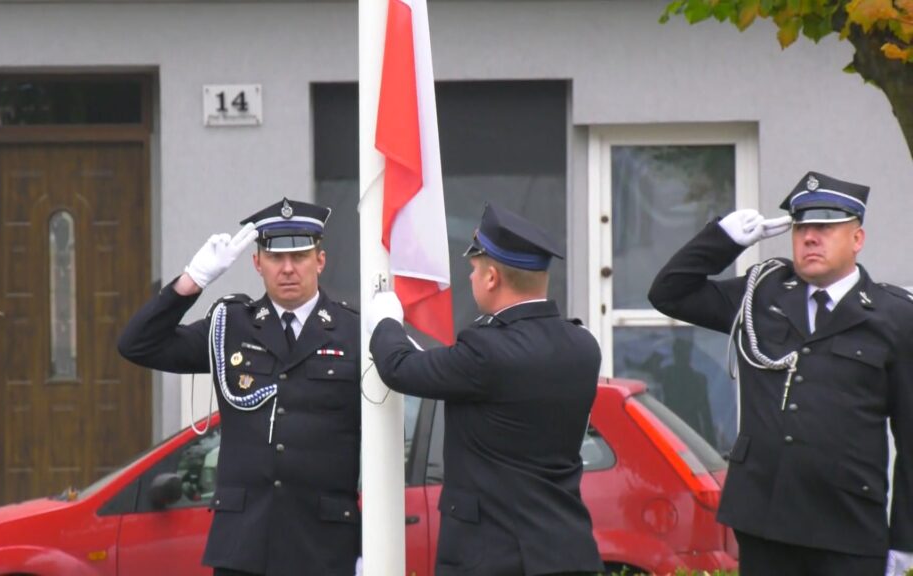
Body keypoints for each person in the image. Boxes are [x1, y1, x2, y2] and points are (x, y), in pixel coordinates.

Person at [648, 171, 913, 576]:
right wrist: (722, 240)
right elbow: (670, 293)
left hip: (848, 526)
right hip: (764, 521)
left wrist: (906, 541)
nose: (809, 237)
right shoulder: (762, 293)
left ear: (856, 239)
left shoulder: (895, 316)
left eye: (825, 227)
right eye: (801, 226)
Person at [118, 198, 361, 576]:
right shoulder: (230, 326)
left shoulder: (352, 331)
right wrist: (191, 281)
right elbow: (137, 344)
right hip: (244, 546)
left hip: (324, 546)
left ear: (320, 261)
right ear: (257, 263)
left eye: (299, 257)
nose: (288, 269)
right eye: (276, 258)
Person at [368, 203, 604, 576]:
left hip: (493, 558)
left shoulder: (485, 350)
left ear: (492, 277)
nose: (471, 277)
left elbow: (399, 368)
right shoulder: (583, 345)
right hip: (566, 552)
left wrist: (385, 324)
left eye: (475, 269)